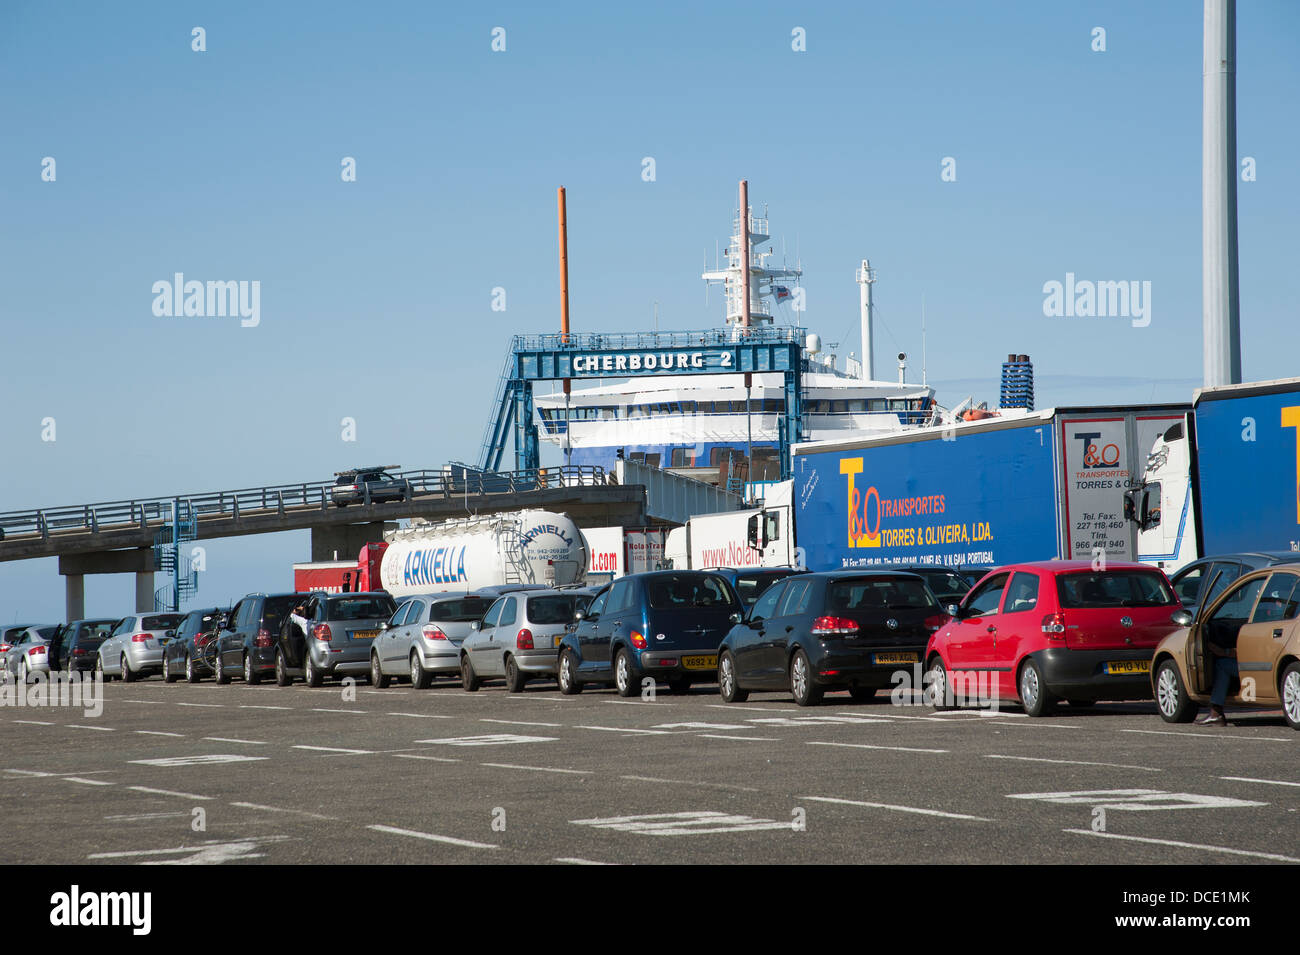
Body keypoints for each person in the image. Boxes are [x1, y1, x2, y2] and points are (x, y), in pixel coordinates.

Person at [1196, 632, 1238, 727]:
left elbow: (1248, 651)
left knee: (1222, 665)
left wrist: (1224, 652)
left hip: (1258, 665)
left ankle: (1216, 711)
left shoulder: (1262, 624)